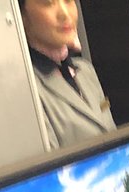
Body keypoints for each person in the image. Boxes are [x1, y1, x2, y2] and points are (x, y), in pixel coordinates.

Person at [19, 0, 116, 148]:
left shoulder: (86, 70)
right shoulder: (28, 90)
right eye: (48, 3)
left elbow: (108, 123)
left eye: (68, 1)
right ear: (23, 17)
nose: (64, 13)